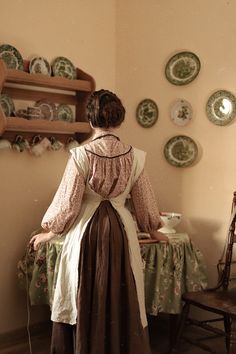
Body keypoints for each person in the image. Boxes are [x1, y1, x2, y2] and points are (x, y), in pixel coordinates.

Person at [30, 89, 168, 354]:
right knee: (122, 292)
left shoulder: (81, 155)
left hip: (86, 231)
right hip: (121, 231)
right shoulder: (136, 156)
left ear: (90, 121)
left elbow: (68, 202)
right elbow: (145, 202)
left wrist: (49, 232)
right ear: (119, 119)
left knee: (80, 289)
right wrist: (154, 229)